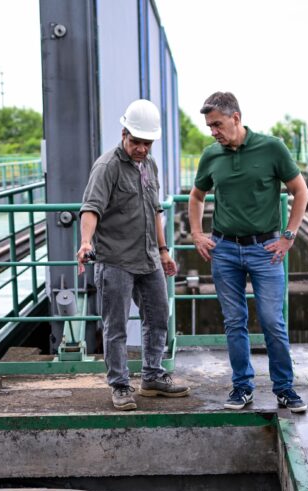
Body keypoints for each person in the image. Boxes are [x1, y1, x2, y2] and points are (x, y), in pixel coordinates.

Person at [188, 91, 308, 413]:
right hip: (225, 249)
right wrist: (198, 234)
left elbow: (300, 191)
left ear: (236, 118)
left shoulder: (272, 148)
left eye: (217, 124)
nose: (213, 131)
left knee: (272, 320)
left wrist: (288, 236)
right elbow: (197, 196)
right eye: (210, 126)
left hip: (265, 249)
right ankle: (242, 387)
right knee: (234, 321)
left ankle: (285, 388)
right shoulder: (211, 155)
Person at [77, 99, 190, 411]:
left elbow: (155, 211)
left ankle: (152, 375)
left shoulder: (149, 164)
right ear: (124, 132)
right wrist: (86, 242)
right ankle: (120, 385)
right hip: (116, 260)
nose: (142, 148)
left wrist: (164, 251)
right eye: (137, 142)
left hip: (149, 257)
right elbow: (90, 209)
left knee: (158, 316)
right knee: (115, 327)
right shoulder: (107, 167)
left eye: (147, 143)